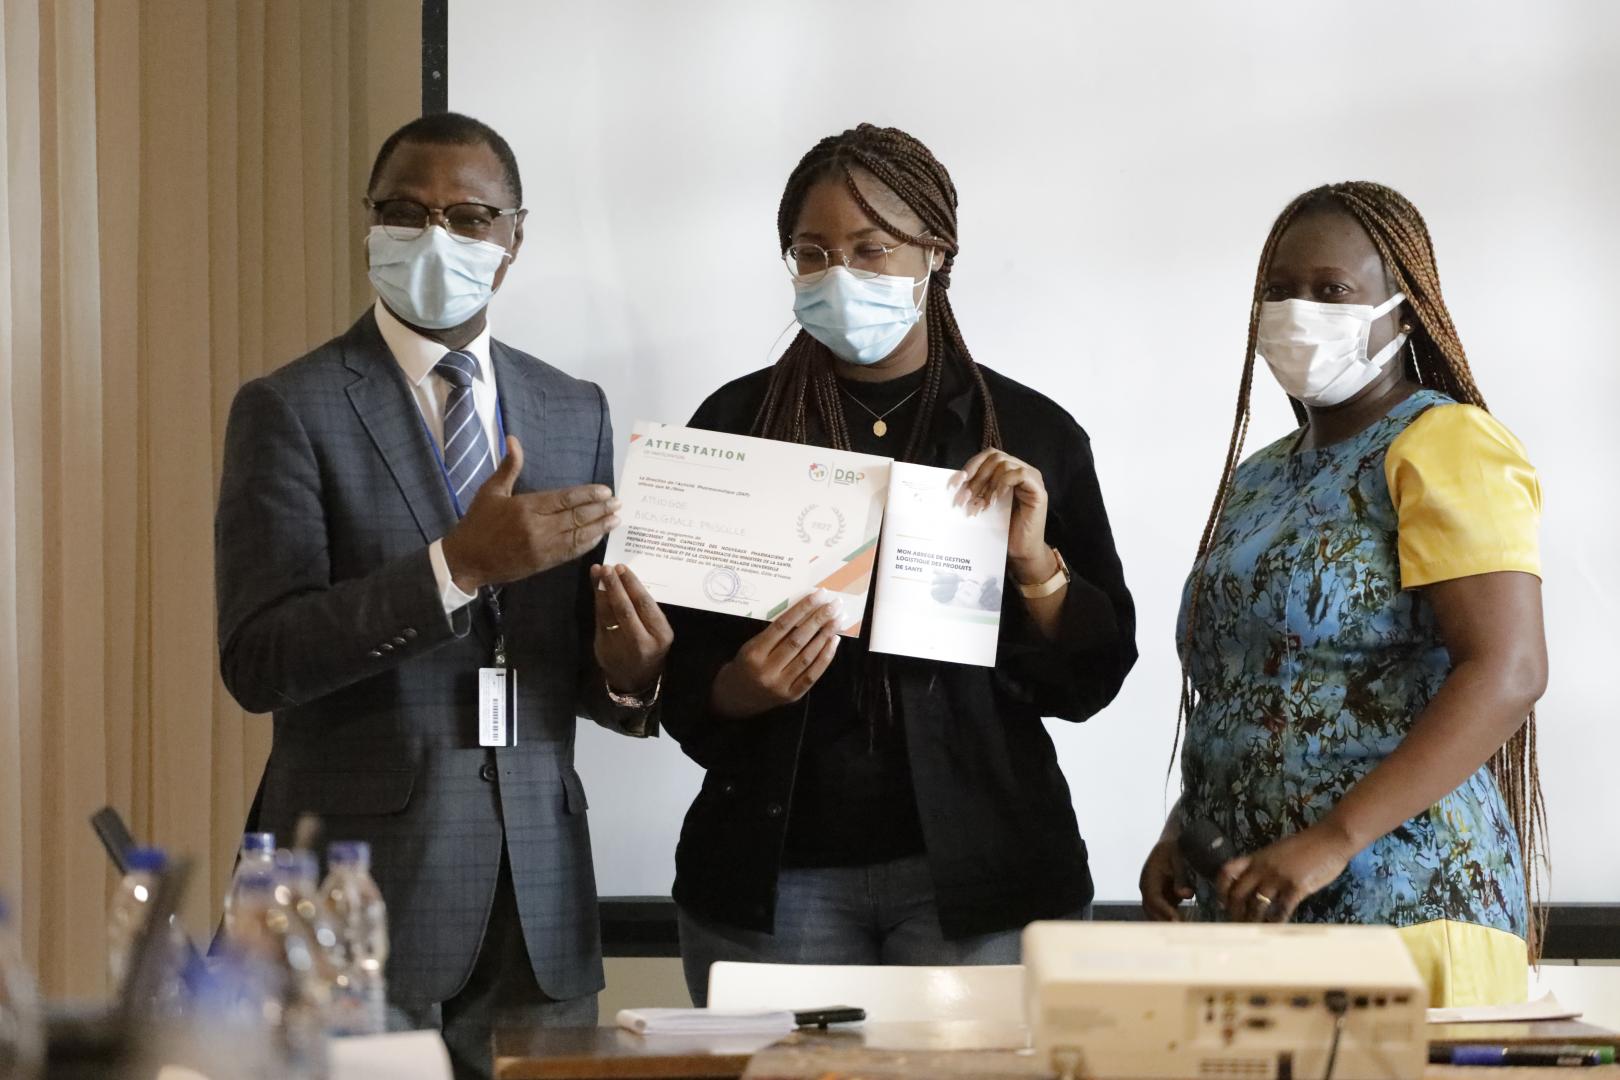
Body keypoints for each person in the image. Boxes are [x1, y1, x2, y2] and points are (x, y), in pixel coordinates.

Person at [214, 113, 671, 1078]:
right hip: (364, 908)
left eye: (469, 218)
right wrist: (452, 568)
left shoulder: (571, 407)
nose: (436, 239)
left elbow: (567, 658)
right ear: (368, 224)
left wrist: (629, 679)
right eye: (406, 213)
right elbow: (260, 660)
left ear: (513, 239)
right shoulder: (288, 407)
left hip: (542, 907)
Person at [661, 123, 1137, 1004]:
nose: (840, 274)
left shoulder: (1029, 434)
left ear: (935, 254)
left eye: (872, 249)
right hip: (775, 881)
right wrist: (737, 688)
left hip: (985, 879)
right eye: (812, 253)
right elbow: (668, 664)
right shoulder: (733, 427)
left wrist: (1037, 568)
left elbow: (1093, 680)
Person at [1140, 182, 1547, 1007]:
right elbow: (1255, 683)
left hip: (1408, 903)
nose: (1299, 310)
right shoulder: (1259, 479)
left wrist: (1332, 839)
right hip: (1261, 914)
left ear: (1402, 311)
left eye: (1332, 291)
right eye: (1280, 290)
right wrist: (1186, 826)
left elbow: (1507, 670)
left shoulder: (1444, 444)